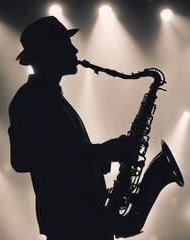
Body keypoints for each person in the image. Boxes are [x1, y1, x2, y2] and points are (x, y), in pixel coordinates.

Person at [8, 16, 137, 240]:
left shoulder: (50, 97)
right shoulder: (31, 99)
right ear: (49, 52)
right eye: (66, 46)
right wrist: (101, 151)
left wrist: (97, 161)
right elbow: (23, 160)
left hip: (84, 220)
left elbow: (60, 153)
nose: (75, 51)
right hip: (71, 224)